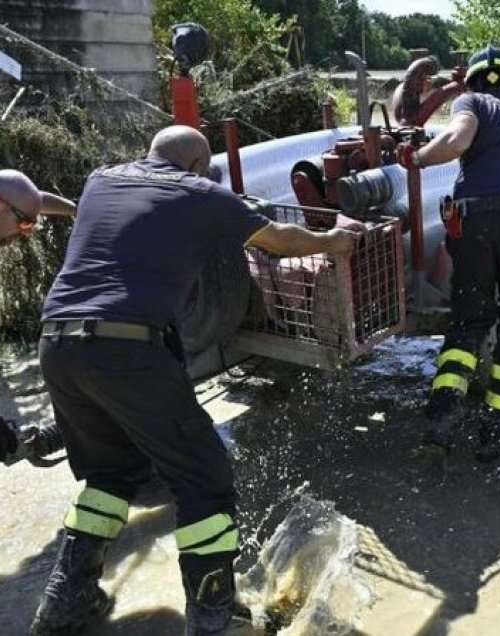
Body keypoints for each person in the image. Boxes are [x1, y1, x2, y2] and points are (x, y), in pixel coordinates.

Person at [28, 125, 357, 636]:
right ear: (201, 166)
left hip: (58, 344)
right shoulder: (202, 191)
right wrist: (332, 240)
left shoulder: (101, 179)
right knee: (204, 480)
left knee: (110, 477)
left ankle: (64, 602)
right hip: (129, 348)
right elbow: (278, 241)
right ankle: (215, 616)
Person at [398, 45, 500, 462]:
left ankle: (441, 417)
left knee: (469, 321)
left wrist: (417, 157)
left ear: (475, 82)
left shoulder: (471, 101)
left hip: (474, 224)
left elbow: (457, 139)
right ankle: (498, 425)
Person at [1, 170, 76, 464]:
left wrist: (77, 209)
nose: (25, 232)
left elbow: (36, 201)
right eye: (24, 222)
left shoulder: (9, 203)